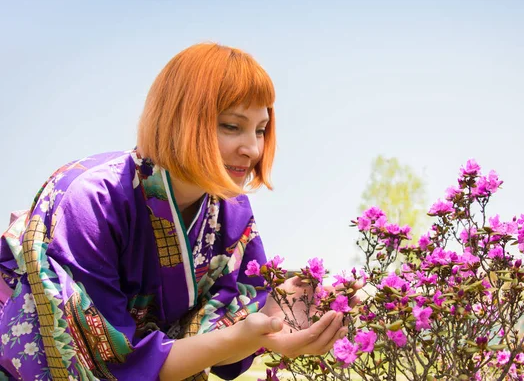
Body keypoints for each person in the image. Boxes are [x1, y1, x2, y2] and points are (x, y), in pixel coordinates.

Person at [0, 43, 348, 381]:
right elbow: (117, 363)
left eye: (260, 129)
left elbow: (217, 343)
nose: (253, 148)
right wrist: (241, 335)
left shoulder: (231, 213)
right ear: (180, 119)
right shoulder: (90, 200)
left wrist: (271, 315)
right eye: (232, 126)